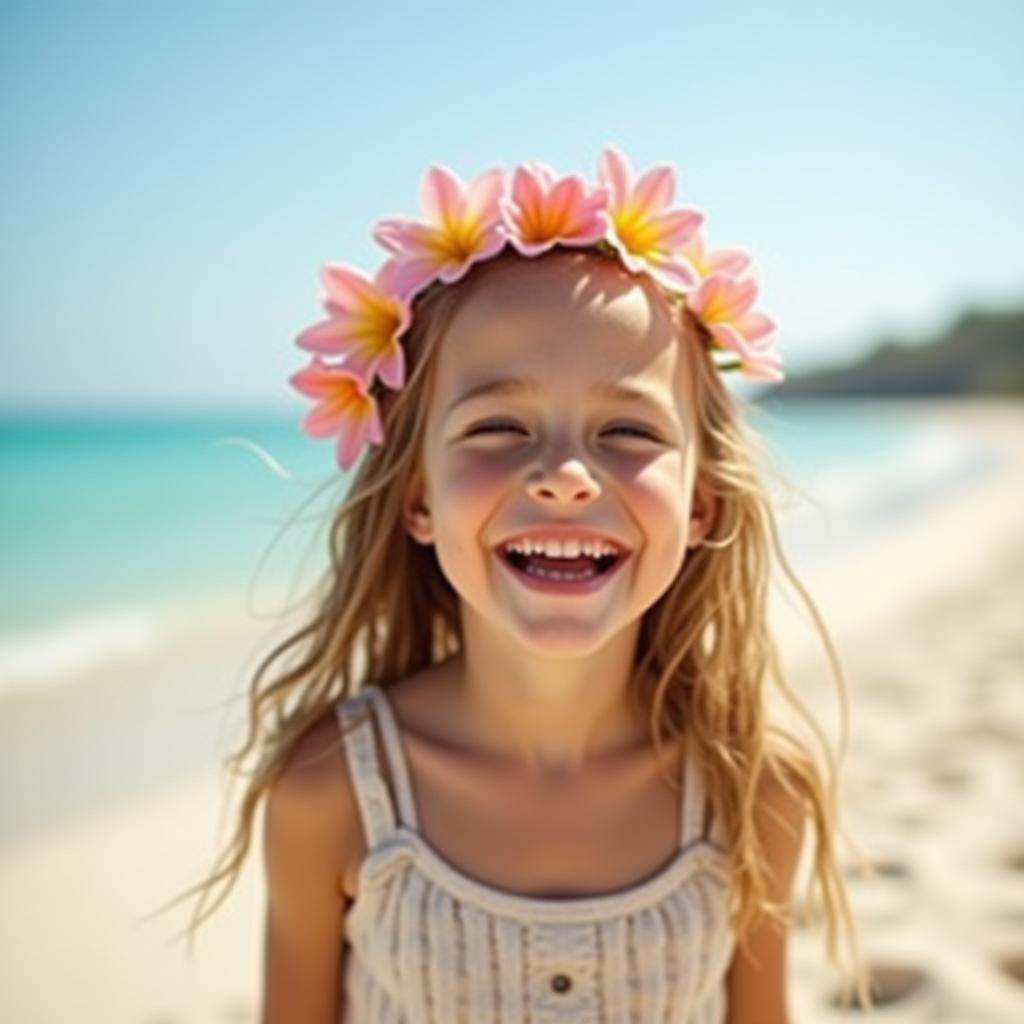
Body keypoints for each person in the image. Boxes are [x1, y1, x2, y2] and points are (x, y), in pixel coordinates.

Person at [159, 146, 873, 1021]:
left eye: (627, 430)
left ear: (702, 507)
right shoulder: (334, 790)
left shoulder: (753, 792)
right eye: (498, 425)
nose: (566, 474)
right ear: (417, 497)